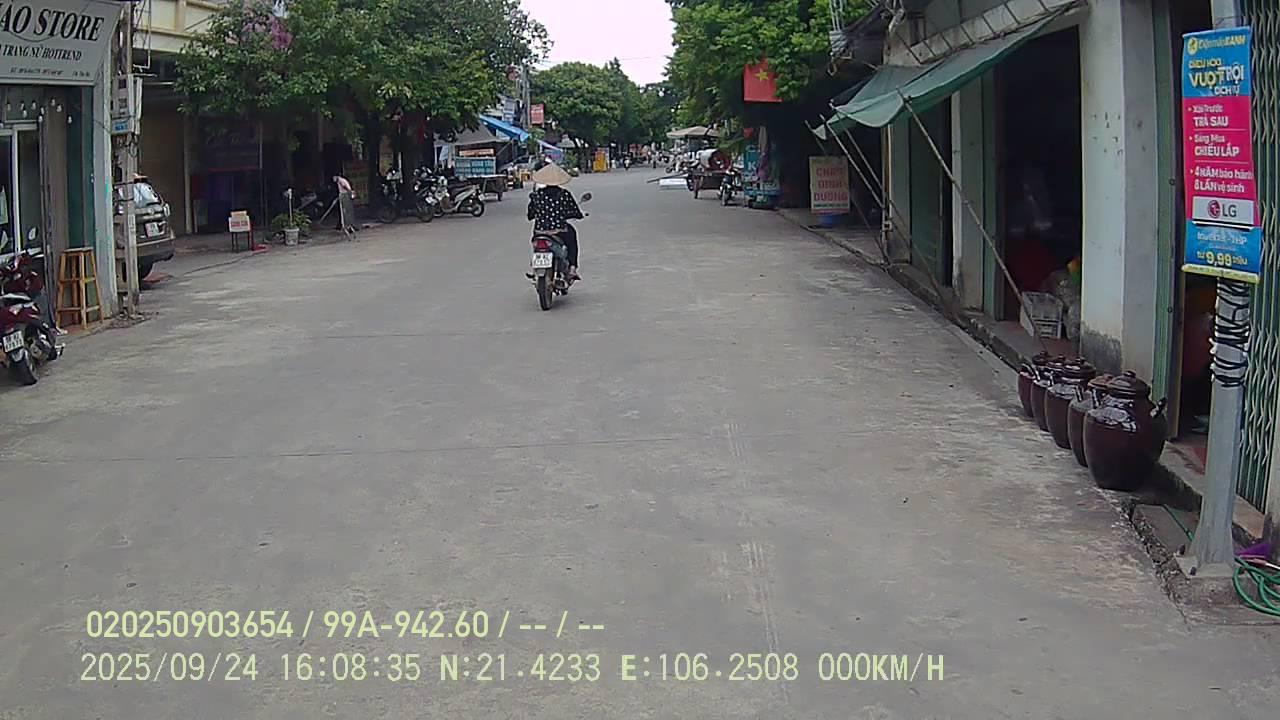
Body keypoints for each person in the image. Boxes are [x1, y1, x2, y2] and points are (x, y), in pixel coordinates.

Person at [527, 163, 584, 279]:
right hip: (559, 231)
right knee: (572, 237)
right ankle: (572, 268)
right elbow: (575, 212)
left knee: (536, 242)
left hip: (540, 232)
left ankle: (535, 269)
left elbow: (530, 215)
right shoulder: (564, 194)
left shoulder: (536, 195)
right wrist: (577, 215)